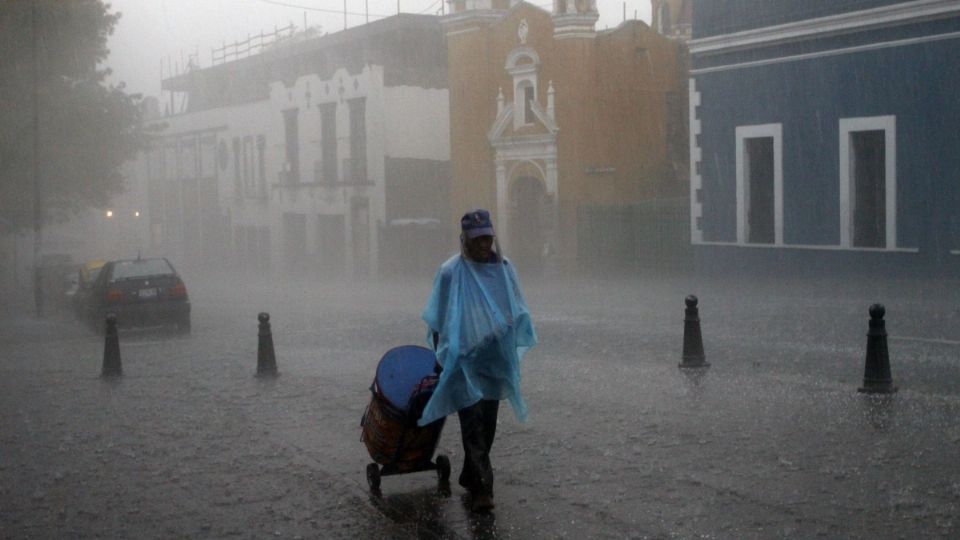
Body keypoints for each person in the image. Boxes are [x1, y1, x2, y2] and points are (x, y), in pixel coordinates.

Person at [417, 209, 537, 513]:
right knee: (472, 422)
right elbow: (439, 316)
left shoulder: (505, 269)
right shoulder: (450, 272)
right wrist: (442, 355)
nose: (484, 245)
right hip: (464, 361)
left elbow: (517, 307)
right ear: (465, 240)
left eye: (487, 238)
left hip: (494, 360)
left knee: (489, 422)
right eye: (477, 239)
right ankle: (483, 489)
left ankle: (471, 474)